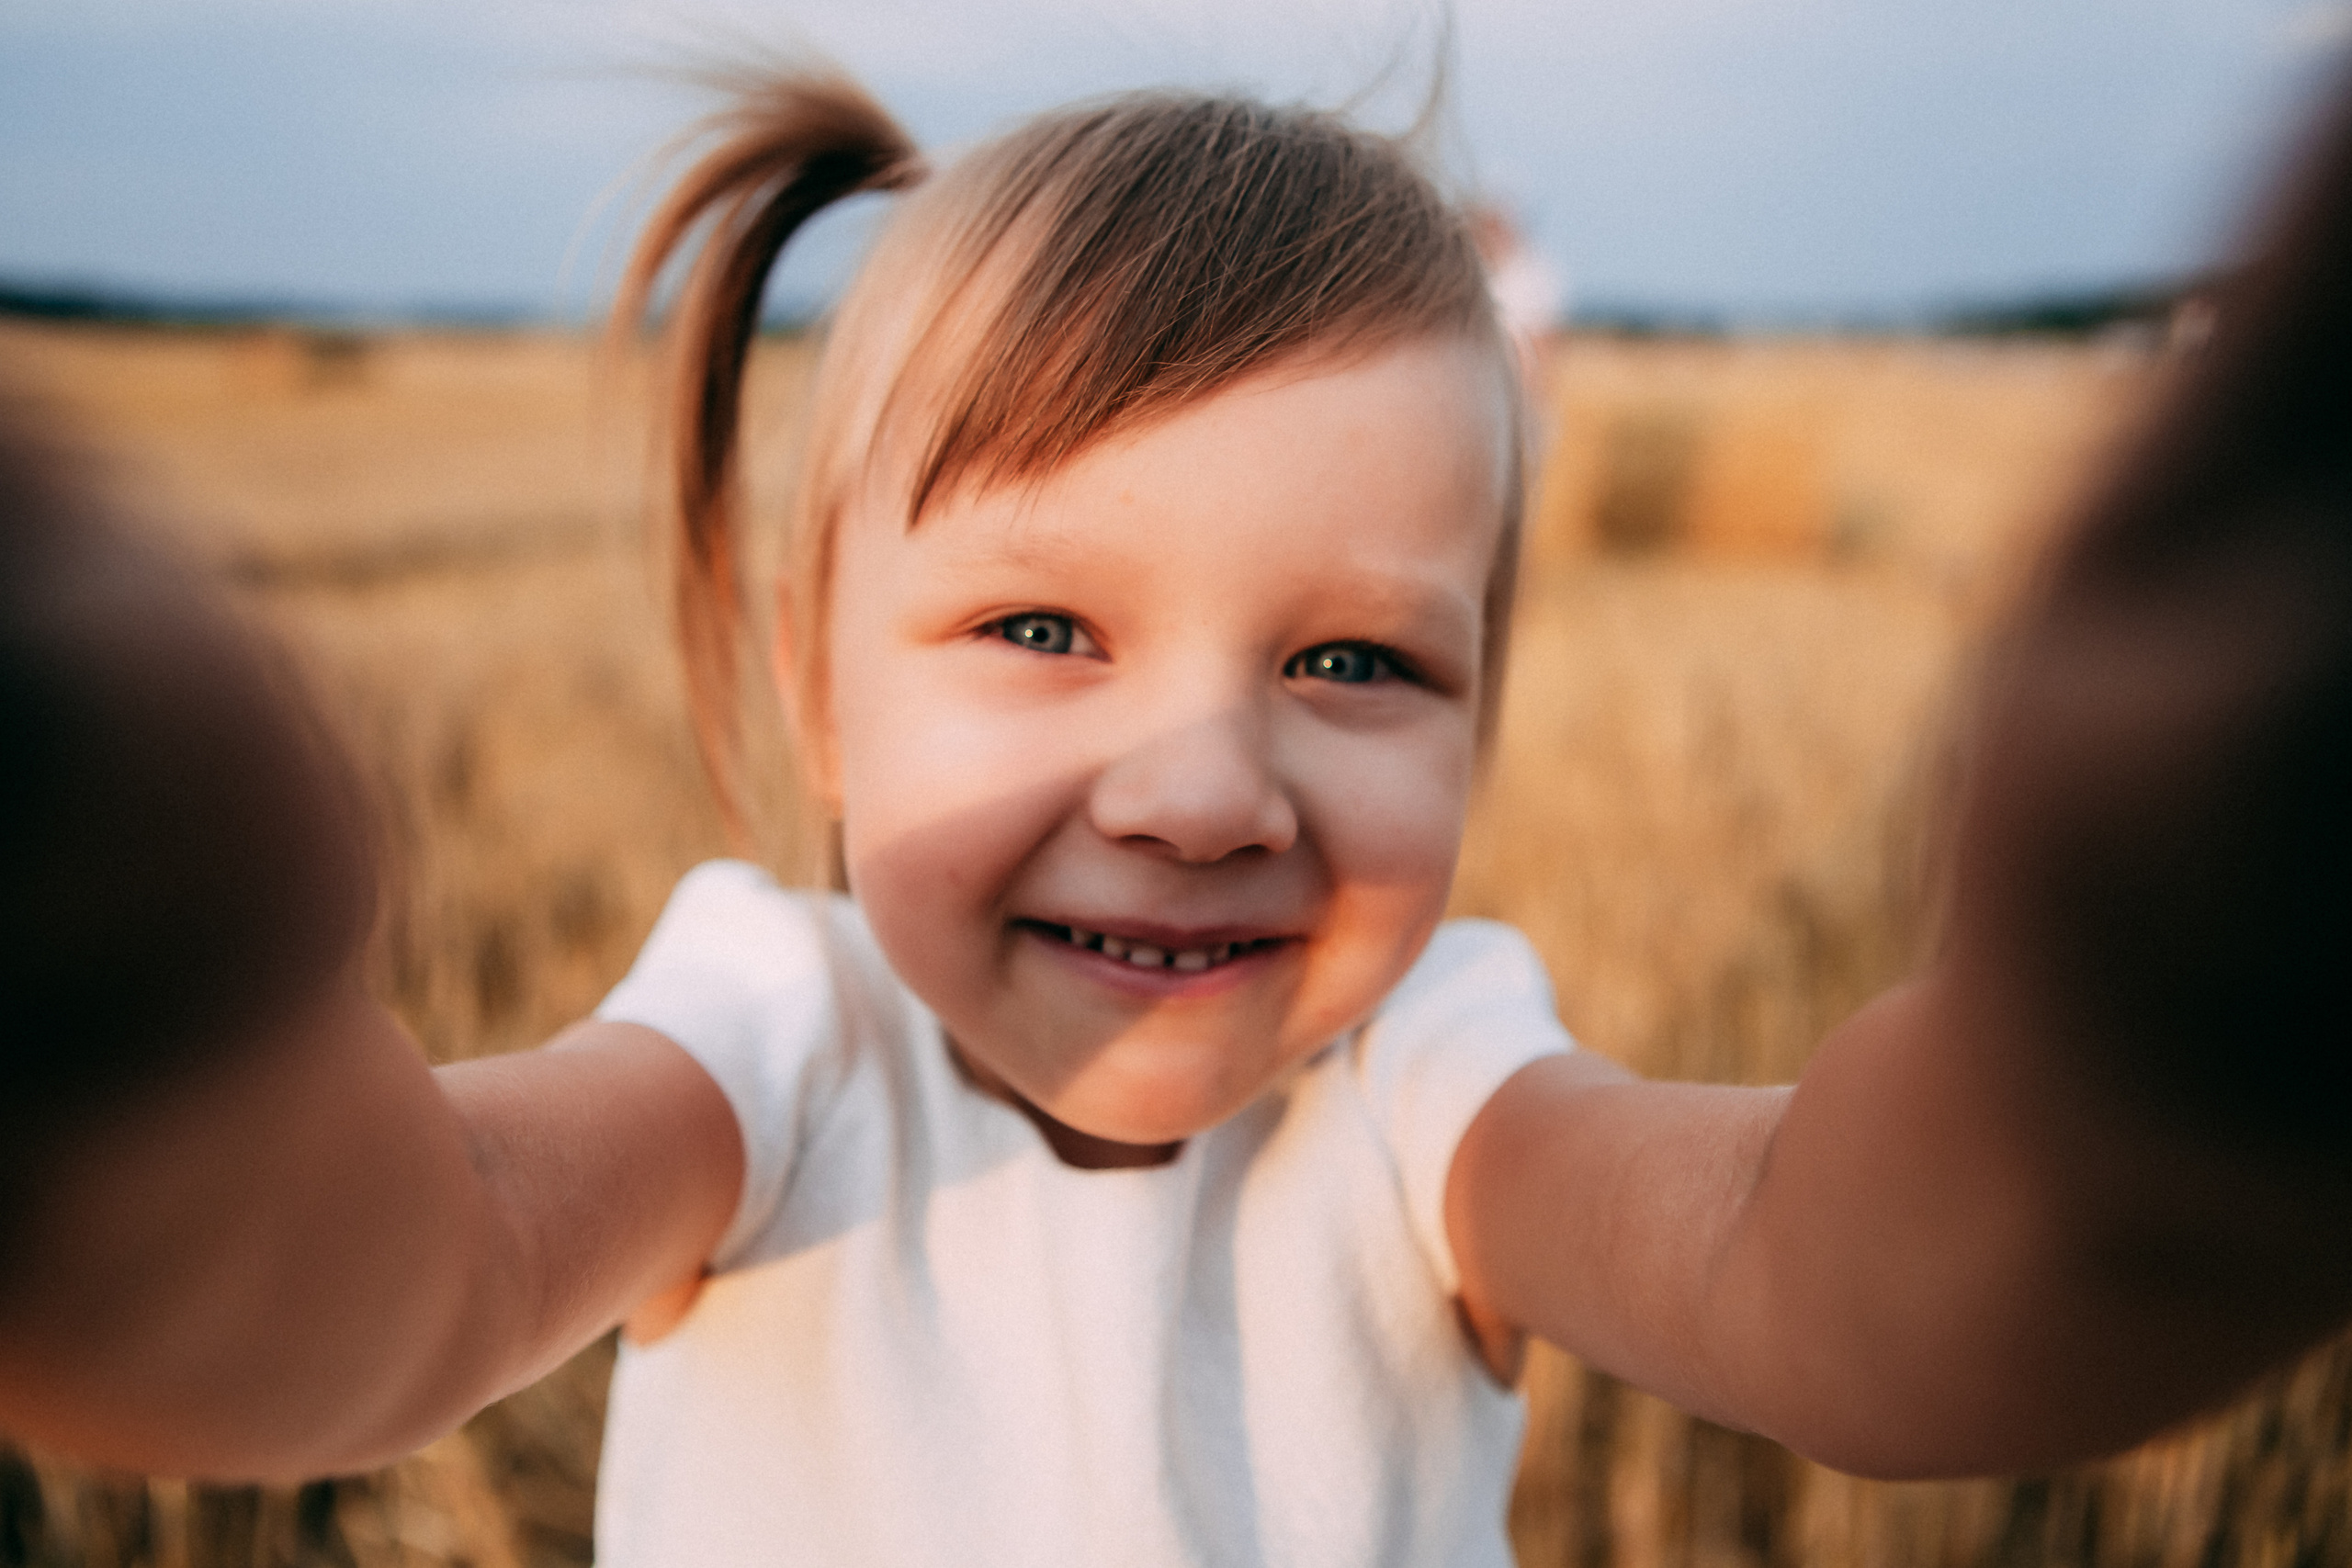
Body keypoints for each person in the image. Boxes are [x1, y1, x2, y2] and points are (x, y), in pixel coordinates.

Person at [2, 62, 2348, 1567]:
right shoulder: (769, 1037)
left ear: (1485, 714)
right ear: (819, 674)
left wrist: (2145, 1059)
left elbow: (1821, 1279)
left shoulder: (1430, 1081)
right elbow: (402, 1280)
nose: (1209, 789)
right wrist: (155, 1000)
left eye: (1353, 664)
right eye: (1041, 629)